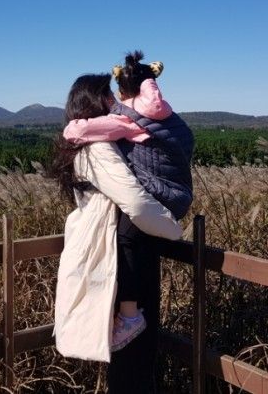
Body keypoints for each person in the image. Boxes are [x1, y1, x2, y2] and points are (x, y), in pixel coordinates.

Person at [62, 52, 194, 352]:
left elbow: (135, 203)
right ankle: (131, 318)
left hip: (155, 206)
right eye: (107, 94)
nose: (113, 98)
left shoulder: (124, 120)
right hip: (174, 196)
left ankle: (130, 316)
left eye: (114, 91)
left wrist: (171, 229)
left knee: (127, 236)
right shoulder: (161, 115)